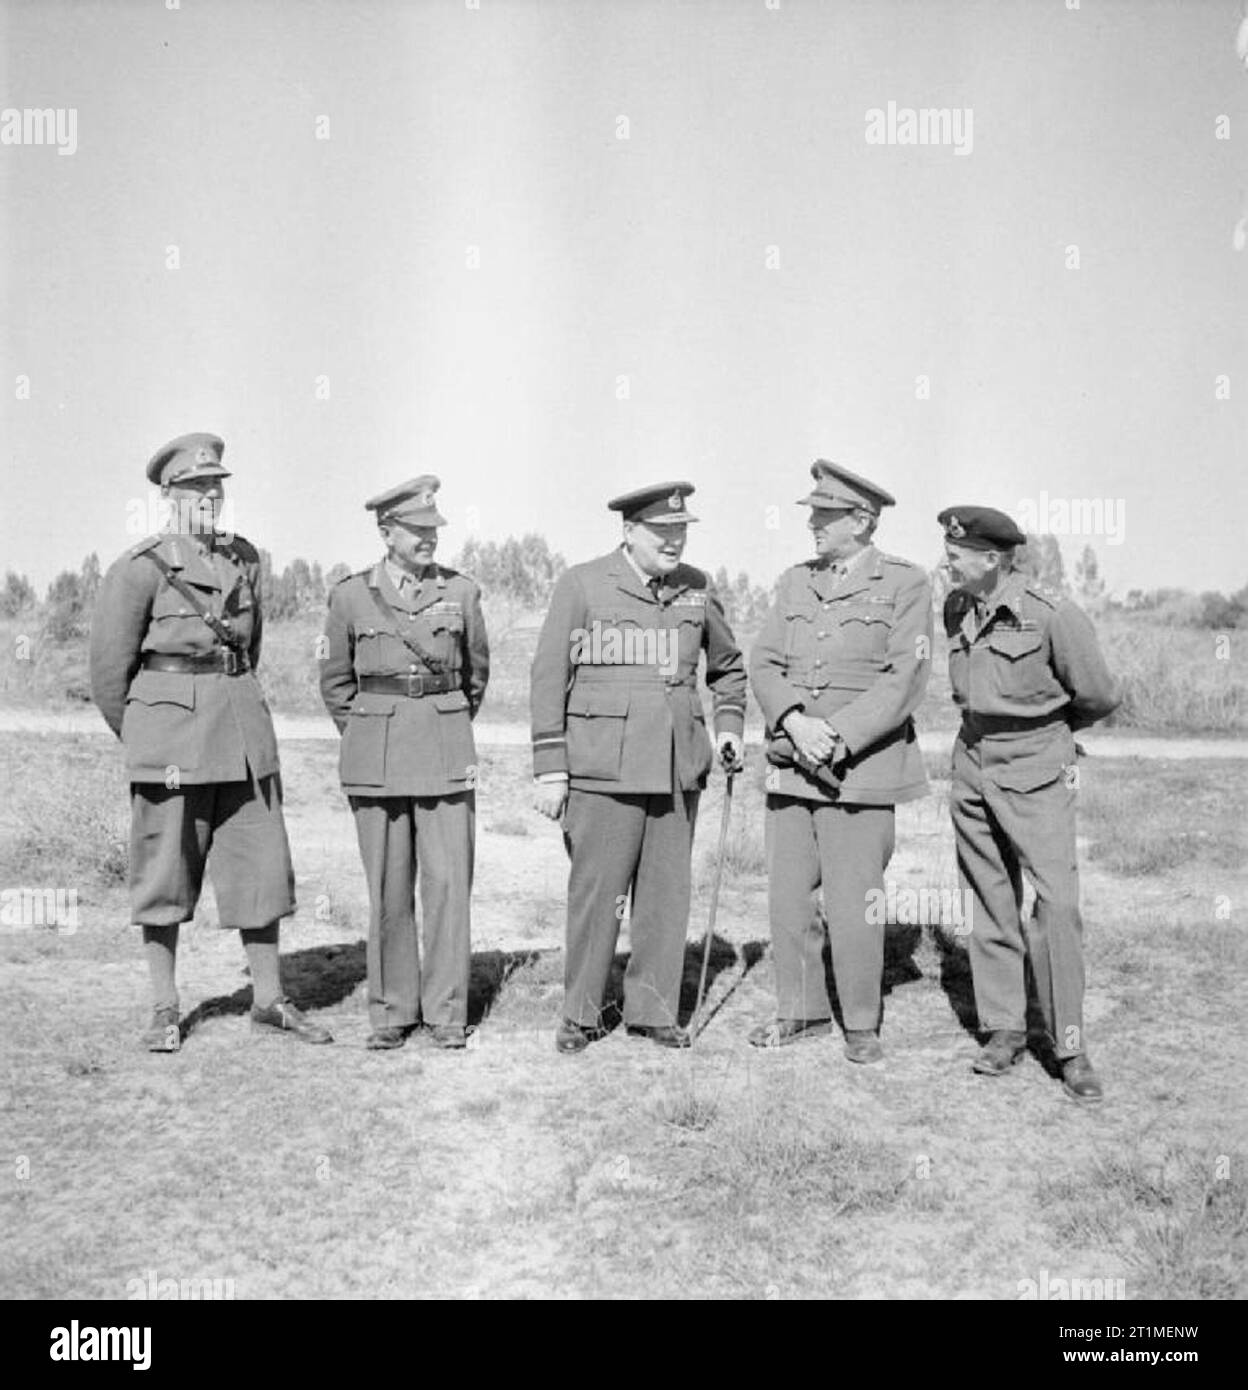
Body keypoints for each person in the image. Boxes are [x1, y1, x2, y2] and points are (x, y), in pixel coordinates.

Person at [90, 432, 331, 1051]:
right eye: (196, 487)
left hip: (242, 734)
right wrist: (150, 733)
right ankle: (164, 1009)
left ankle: (270, 1000)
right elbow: (108, 676)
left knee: (261, 868)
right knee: (164, 873)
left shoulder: (244, 560)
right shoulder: (139, 568)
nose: (208, 497)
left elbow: (248, 650)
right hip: (170, 742)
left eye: (216, 485)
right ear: (169, 495)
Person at [530, 482, 746, 1053]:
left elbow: (727, 668)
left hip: (677, 765)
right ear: (629, 531)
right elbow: (549, 676)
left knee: (666, 895)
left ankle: (652, 1010)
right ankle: (581, 1012)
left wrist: (728, 730)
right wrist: (552, 768)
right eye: (662, 532)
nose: (674, 542)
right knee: (598, 895)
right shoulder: (583, 584)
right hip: (604, 768)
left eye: (681, 532)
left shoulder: (697, 589)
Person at [749, 459, 932, 1062]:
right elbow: (765, 662)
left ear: (862, 520)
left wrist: (838, 736)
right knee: (788, 897)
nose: (814, 525)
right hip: (792, 763)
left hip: (861, 771)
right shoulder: (795, 582)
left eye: (825, 515)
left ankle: (860, 1021)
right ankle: (801, 1011)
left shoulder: (906, 585)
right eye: (813, 514)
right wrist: (795, 721)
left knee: (856, 900)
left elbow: (905, 679)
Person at [938, 505, 1119, 1102]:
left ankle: (1069, 1046)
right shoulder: (958, 608)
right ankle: (1004, 1030)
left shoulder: (1052, 615)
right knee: (989, 898)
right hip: (972, 765)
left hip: (1038, 769)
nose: (947, 559)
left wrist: (1049, 738)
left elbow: (1095, 694)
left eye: (957, 552)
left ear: (992, 559)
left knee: (1057, 904)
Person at [320, 476, 489, 1050]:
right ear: (386, 532)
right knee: (388, 887)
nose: (428, 540)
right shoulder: (349, 597)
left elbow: (475, 677)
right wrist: (371, 732)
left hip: (444, 753)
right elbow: (337, 683)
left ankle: (446, 1012)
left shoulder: (462, 593)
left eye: (433, 529)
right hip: (378, 756)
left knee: (447, 885)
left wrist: (441, 720)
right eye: (416, 530)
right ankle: (392, 1011)